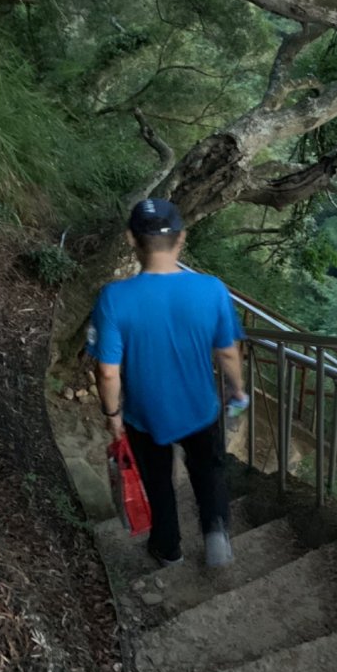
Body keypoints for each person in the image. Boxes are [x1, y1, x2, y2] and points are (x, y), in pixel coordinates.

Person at [86, 197, 246, 568]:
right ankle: (216, 533)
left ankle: (168, 548)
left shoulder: (113, 298)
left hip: (144, 414)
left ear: (131, 239)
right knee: (209, 470)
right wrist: (236, 388)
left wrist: (112, 413)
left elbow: (108, 371)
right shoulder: (212, 290)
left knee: (158, 482)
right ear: (182, 238)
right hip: (200, 408)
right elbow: (226, 353)